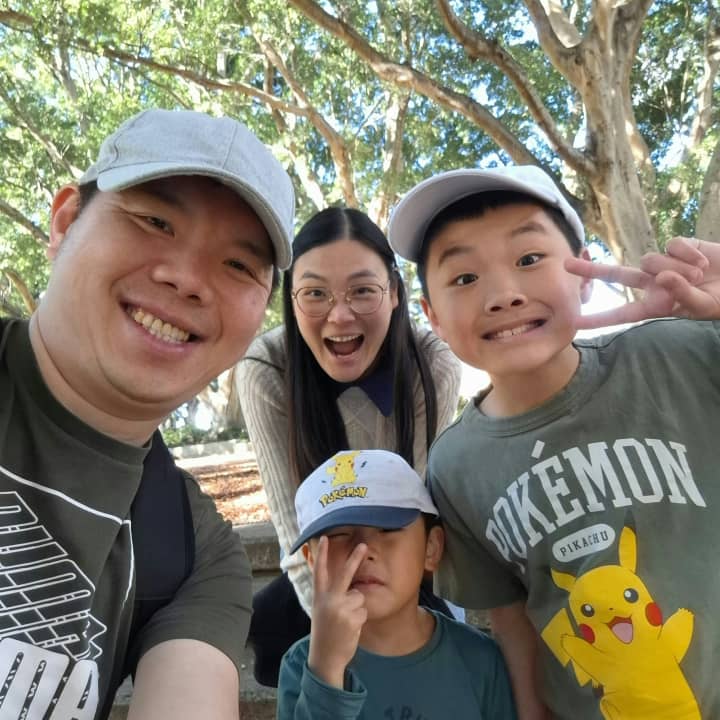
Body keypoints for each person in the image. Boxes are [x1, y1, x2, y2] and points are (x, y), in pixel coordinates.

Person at [387, 164, 720, 719]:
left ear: (583, 272)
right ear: (433, 316)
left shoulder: (680, 356)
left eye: (528, 259)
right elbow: (511, 619)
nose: (503, 295)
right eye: (464, 277)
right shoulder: (455, 466)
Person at [0, 108, 295, 719]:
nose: (187, 280)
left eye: (238, 265)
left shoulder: (197, 557)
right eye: (155, 221)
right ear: (65, 223)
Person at [235, 207, 462, 686]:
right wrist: (335, 633)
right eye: (315, 293)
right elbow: (294, 529)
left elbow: (417, 520)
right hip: (325, 565)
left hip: (402, 564)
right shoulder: (267, 370)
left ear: (395, 293)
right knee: (283, 650)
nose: (339, 315)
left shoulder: (431, 365)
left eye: (362, 290)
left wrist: (391, 636)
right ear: (292, 301)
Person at [276, 448, 517, 719]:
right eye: (339, 534)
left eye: (387, 529)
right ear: (311, 559)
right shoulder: (303, 665)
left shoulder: (480, 660)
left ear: (431, 548)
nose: (363, 550)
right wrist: (327, 670)